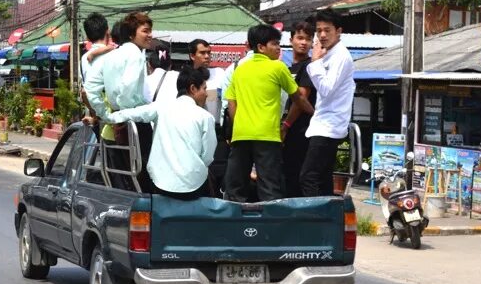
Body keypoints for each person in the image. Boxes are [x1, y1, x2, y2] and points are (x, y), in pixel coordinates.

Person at [224, 24, 312, 202]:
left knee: (236, 186)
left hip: (241, 135)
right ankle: (270, 225)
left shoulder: (239, 70)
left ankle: (236, 225)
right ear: (261, 47)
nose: (279, 48)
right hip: (267, 136)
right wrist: (314, 112)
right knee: (270, 186)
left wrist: (239, 126)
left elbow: (232, 104)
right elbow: (298, 98)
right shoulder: (278, 68)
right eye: (274, 44)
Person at [104, 66, 216, 200]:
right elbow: (208, 157)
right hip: (193, 186)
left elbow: (134, 114)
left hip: (160, 183)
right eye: (204, 88)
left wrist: (106, 117)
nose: (206, 93)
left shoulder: (161, 106)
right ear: (193, 89)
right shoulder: (205, 117)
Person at [84, 11, 154, 189]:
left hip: (116, 123)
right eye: (145, 31)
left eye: (150, 31)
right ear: (132, 34)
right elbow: (128, 88)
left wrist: (106, 114)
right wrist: (125, 111)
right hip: (134, 122)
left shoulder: (111, 56)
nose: (150, 35)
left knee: (123, 180)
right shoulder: (136, 55)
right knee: (142, 181)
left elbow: (90, 87)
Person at [300, 8, 355, 197]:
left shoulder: (341, 56)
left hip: (329, 127)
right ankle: (328, 220)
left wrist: (314, 63)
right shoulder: (328, 54)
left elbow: (326, 89)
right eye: (319, 30)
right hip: (323, 124)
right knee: (322, 179)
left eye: (327, 30)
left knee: (308, 177)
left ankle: (314, 222)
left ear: (338, 31)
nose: (322, 35)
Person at [280, 20, 317, 197]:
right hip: (287, 130)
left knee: (298, 176)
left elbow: (300, 99)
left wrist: (285, 126)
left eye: (308, 39)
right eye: (300, 38)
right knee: (287, 175)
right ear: (291, 40)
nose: (303, 42)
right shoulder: (287, 69)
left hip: (302, 130)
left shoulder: (309, 66)